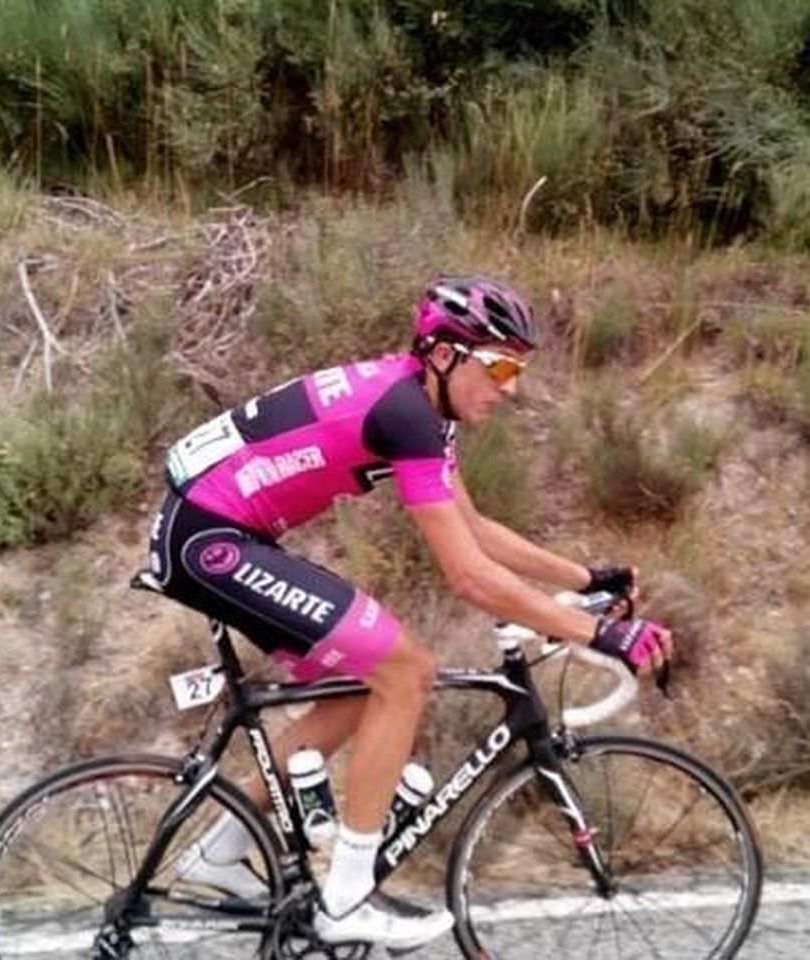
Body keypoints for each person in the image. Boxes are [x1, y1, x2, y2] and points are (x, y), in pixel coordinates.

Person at [145, 275, 673, 951]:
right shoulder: (407, 414)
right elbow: (469, 576)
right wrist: (602, 633)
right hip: (209, 540)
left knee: (369, 684)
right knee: (407, 669)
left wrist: (585, 577)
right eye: (501, 365)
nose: (511, 387)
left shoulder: (420, 403)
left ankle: (220, 853)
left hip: (217, 532)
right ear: (448, 355)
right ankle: (347, 899)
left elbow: (474, 528)